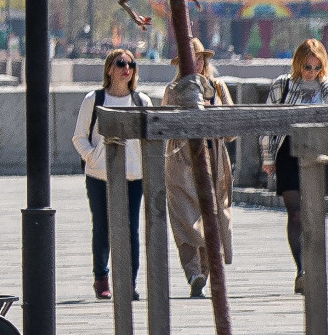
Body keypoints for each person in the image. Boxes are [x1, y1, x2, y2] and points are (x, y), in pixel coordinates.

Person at [265, 38, 328, 294]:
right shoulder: (282, 85)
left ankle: (312, 265)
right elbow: (268, 121)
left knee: (313, 214)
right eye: (307, 66)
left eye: (316, 67)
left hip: (318, 153)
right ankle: (302, 270)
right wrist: (267, 158)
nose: (311, 72)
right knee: (296, 212)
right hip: (288, 151)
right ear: (298, 64)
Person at [73, 48, 152, 300]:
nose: (126, 68)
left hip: (134, 176)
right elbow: (78, 137)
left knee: (132, 230)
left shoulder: (142, 101)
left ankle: (129, 282)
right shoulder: (94, 100)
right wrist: (93, 157)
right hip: (100, 176)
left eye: (131, 64)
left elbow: (151, 138)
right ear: (109, 69)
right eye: (120, 63)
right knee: (103, 227)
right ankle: (101, 278)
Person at [163, 65, 234, 298]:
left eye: (199, 59)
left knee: (211, 216)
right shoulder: (173, 90)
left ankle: (203, 273)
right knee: (184, 216)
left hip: (214, 158)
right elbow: (163, 125)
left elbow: (233, 128)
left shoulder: (217, 87)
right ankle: (192, 272)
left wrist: (215, 114)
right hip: (182, 159)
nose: (195, 65)